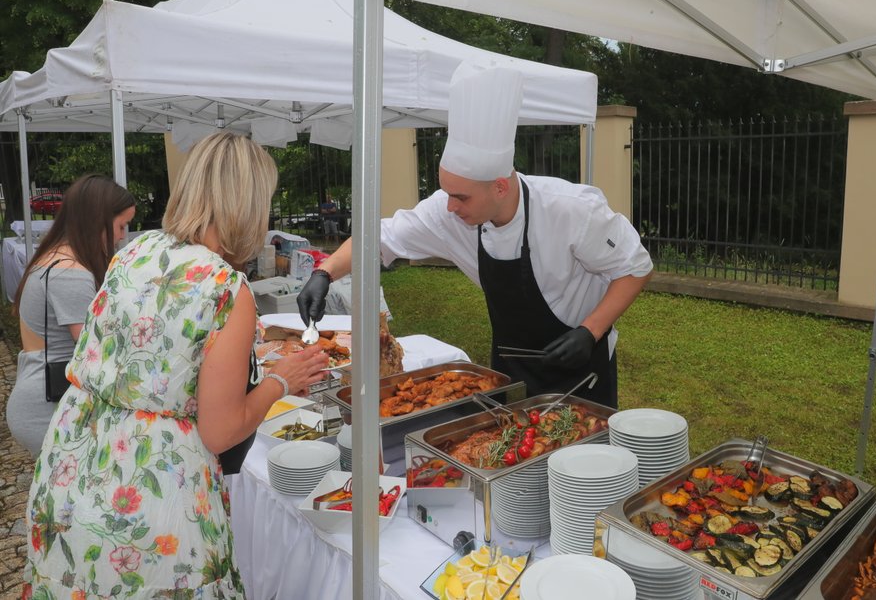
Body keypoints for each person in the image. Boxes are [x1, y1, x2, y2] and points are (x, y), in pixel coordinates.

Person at [22, 133, 330, 598]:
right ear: (248, 204)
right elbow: (220, 431)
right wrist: (282, 380)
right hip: (153, 496)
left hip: (74, 468)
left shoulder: (133, 252)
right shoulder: (228, 289)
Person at [298, 65, 653, 408]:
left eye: (461, 197)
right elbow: (378, 238)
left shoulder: (571, 209)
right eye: (446, 192)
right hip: (509, 370)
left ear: (499, 186)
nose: (450, 207)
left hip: (581, 370)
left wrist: (590, 331)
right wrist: (324, 273)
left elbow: (635, 267)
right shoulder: (448, 212)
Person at [7, 174, 136, 456]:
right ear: (97, 221)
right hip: (50, 406)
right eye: (121, 225)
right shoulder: (70, 273)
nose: (123, 236)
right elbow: (97, 350)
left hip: (44, 396)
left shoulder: (55, 257)